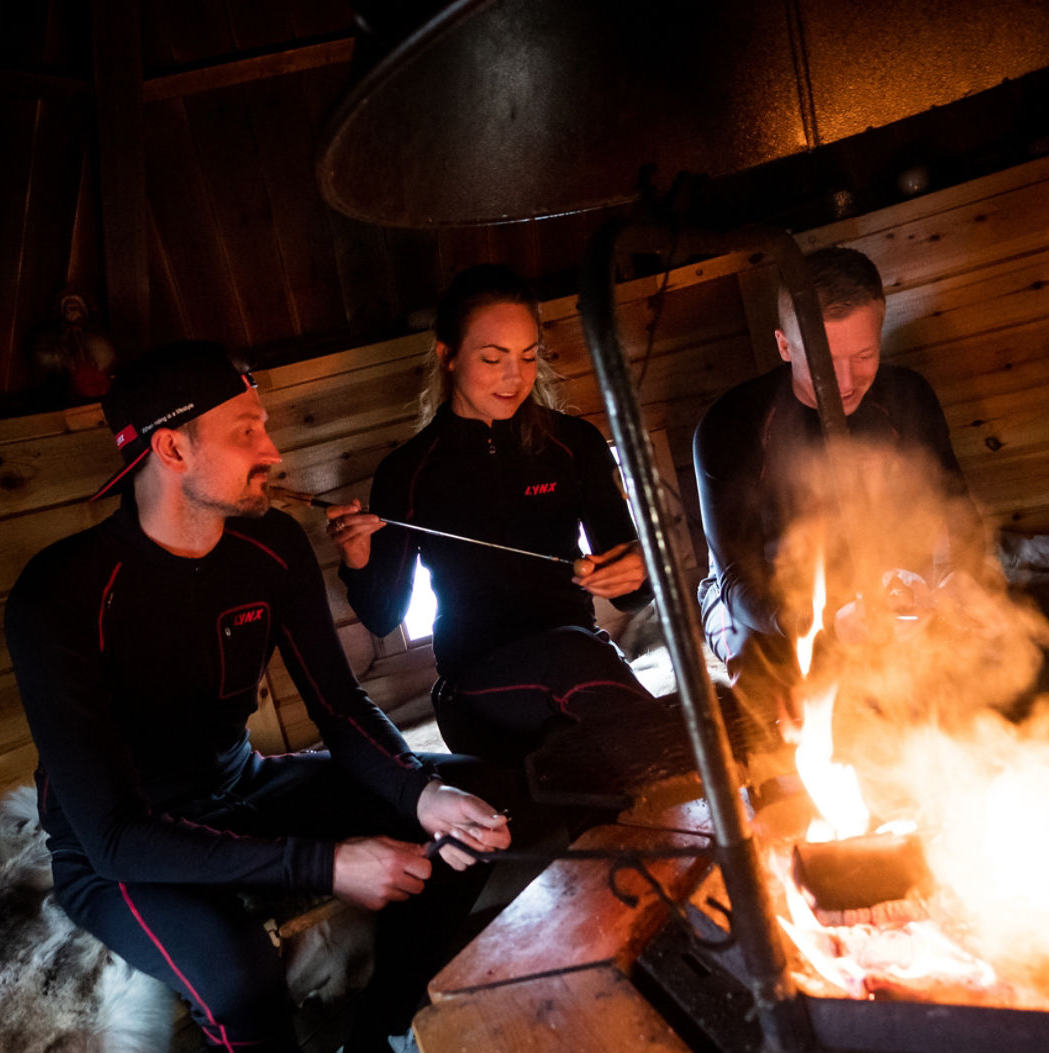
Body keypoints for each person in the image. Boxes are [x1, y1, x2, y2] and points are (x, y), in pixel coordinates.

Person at [5, 341, 512, 1053]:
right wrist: (328, 863)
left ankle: (374, 1048)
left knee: (469, 818)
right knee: (239, 971)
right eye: (247, 431)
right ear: (173, 450)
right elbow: (119, 835)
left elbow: (341, 710)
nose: (272, 452)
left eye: (266, 427)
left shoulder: (269, 548)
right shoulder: (62, 593)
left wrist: (421, 792)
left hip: (240, 786)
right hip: (119, 843)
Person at [324, 264, 661, 772]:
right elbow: (382, 615)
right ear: (449, 356)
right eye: (492, 358)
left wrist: (636, 570)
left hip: (578, 659)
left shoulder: (574, 446)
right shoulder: (408, 471)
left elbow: (632, 595)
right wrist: (358, 558)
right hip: (477, 684)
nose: (515, 377)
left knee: (587, 683)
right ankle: (681, 758)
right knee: (579, 662)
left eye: (528, 356)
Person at [693, 246, 972, 791]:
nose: (844, 380)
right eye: (823, 359)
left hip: (886, 584)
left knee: (949, 695)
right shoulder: (732, 425)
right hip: (766, 603)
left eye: (863, 356)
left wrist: (954, 580)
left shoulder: (908, 398)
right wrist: (818, 623)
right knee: (772, 719)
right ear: (782, 345)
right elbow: (735, 582)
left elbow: (955, 514)